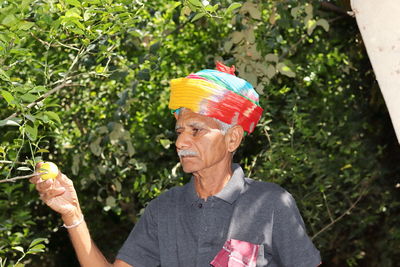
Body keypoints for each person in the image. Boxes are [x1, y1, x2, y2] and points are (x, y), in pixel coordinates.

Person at [31, 62, 321, 267]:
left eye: (196, 130)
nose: (181, 143)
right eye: (179, 131)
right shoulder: (164, 210)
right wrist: (73, 214)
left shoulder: (270, 204)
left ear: (232, 138)